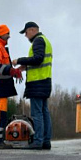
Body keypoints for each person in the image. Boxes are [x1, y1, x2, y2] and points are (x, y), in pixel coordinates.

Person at [12, 21, 52, 150]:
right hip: (44, 81)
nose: (25, 36)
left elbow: (38, 59)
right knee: (44, 112)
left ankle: (38, 141)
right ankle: (45, 141)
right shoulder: (45, 40)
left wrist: (19, 60)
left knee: (37, 113)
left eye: (26, 32)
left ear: (33, 30)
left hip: (37, 83)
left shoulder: (38, 41)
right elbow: (38, 61)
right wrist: (24, 67)